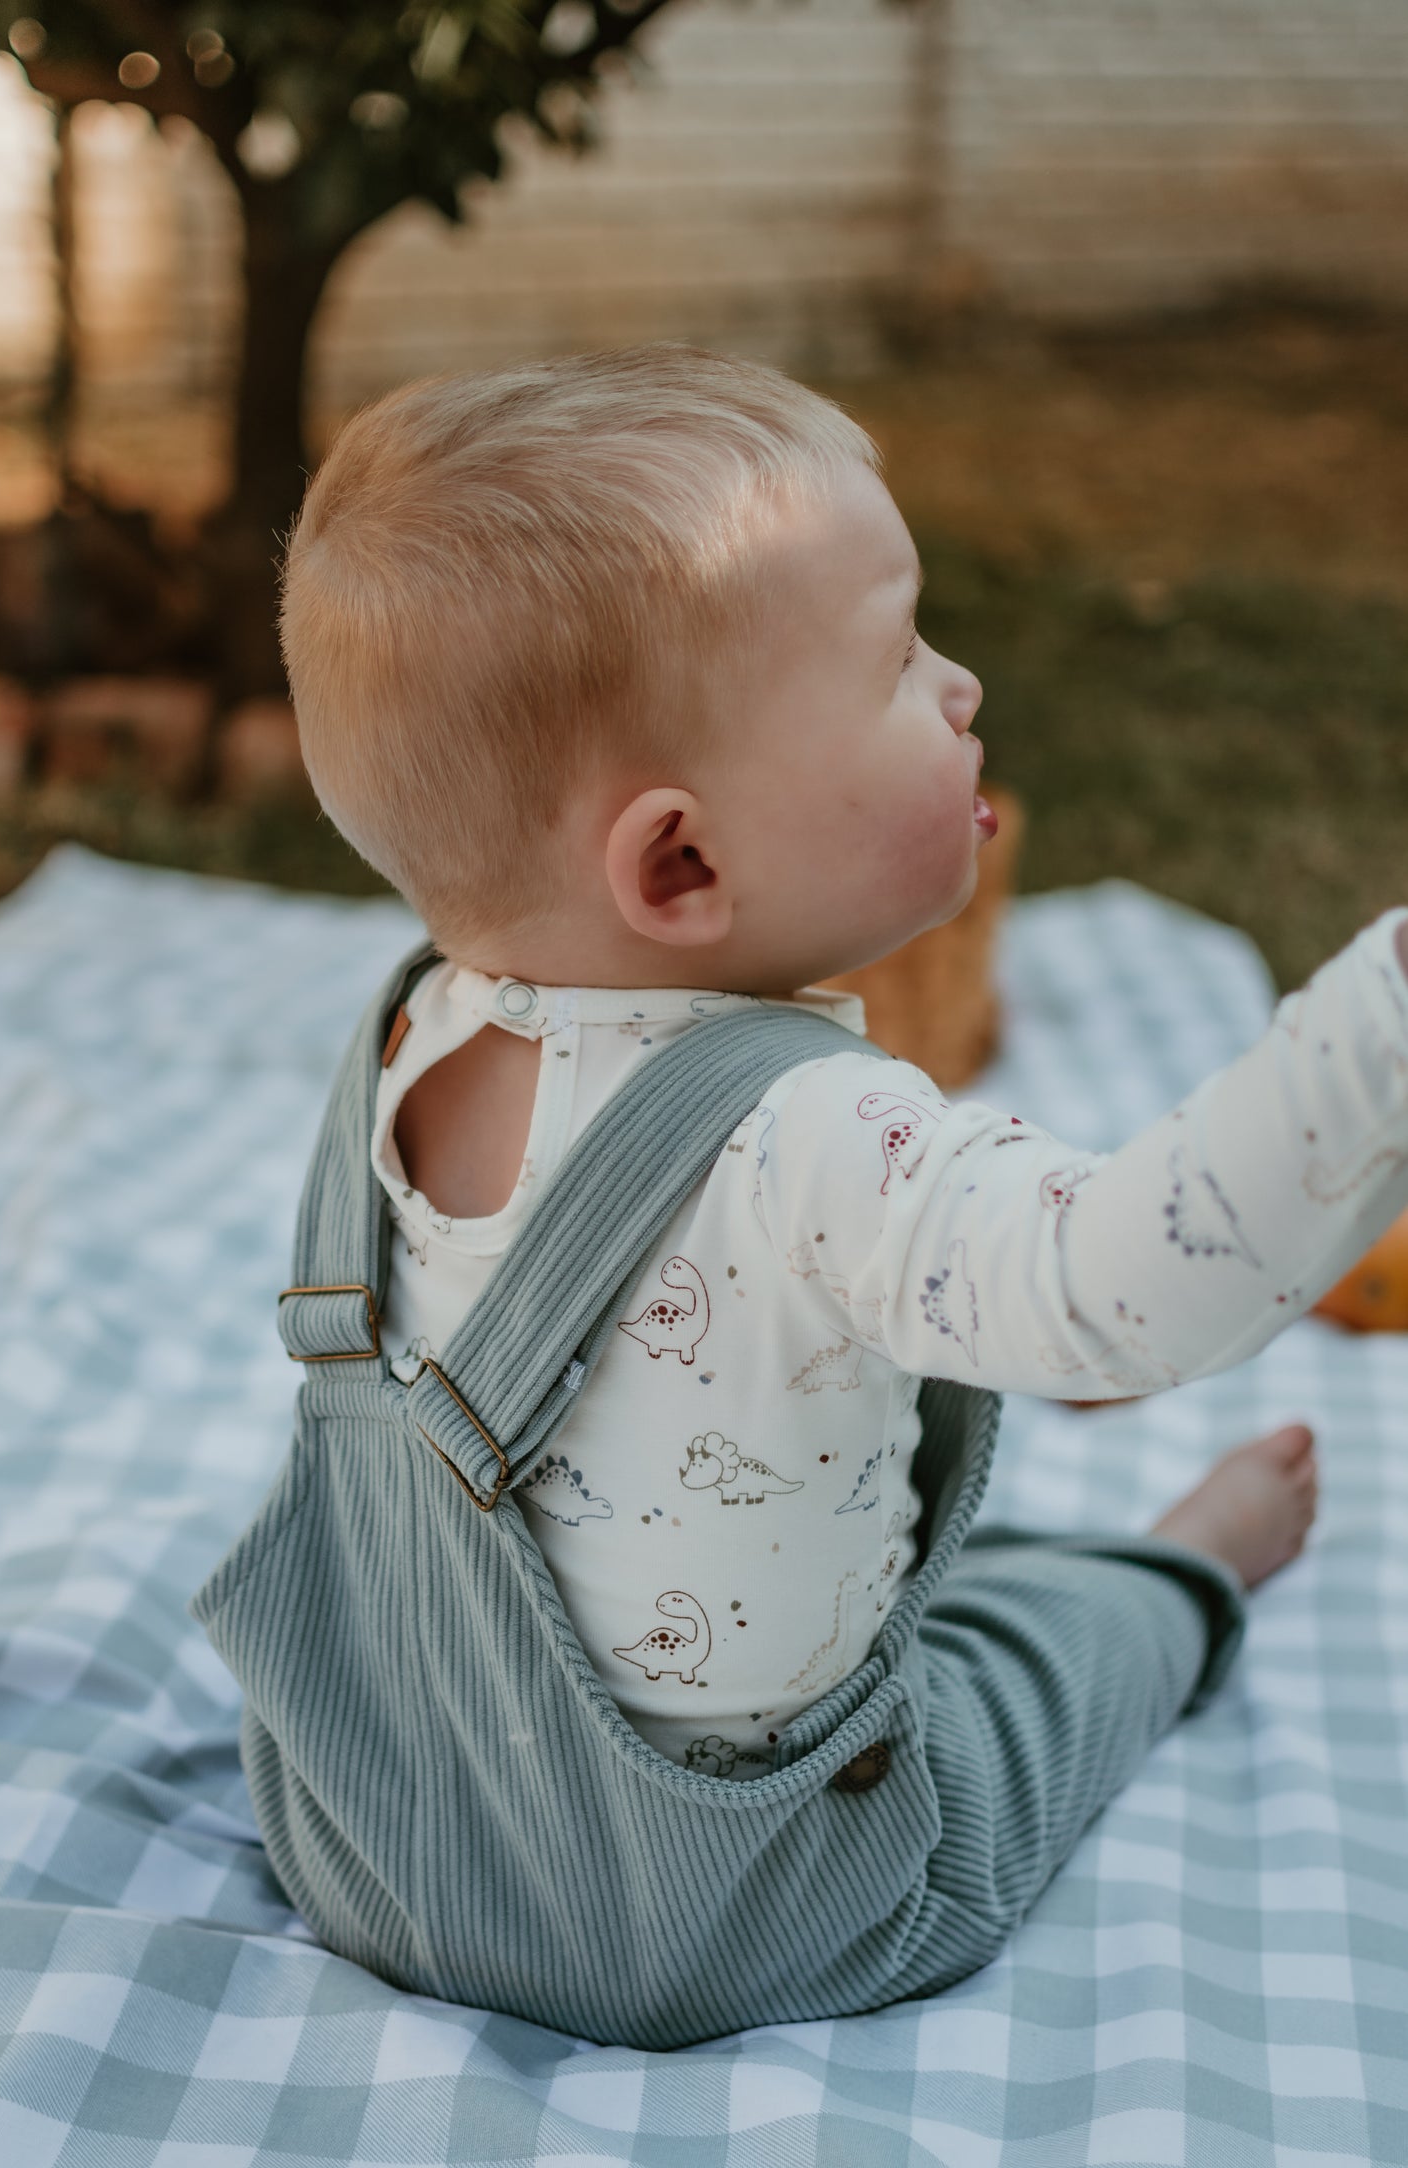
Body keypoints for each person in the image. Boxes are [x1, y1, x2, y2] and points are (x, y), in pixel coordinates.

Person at [191, 344, 1408, 2048]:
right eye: (899, 657)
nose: (965, 685)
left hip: (397, 1832)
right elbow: (1119, 1294)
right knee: (1035, 1653)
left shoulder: (414, 1028)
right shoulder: (814, 1140)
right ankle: (1186, 1574)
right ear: (679, 863)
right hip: (746, 1909)